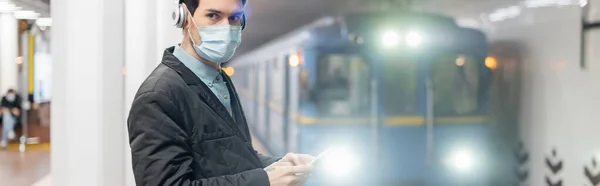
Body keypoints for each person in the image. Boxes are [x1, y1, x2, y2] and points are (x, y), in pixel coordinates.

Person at [127, 0, 316, 185]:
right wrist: (263, 181)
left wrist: (280, 166)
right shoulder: (158, 96)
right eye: (213, 15)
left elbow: (230, 156)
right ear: (184, 16)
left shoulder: (219, 80)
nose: (226, 28)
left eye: (234, 17)